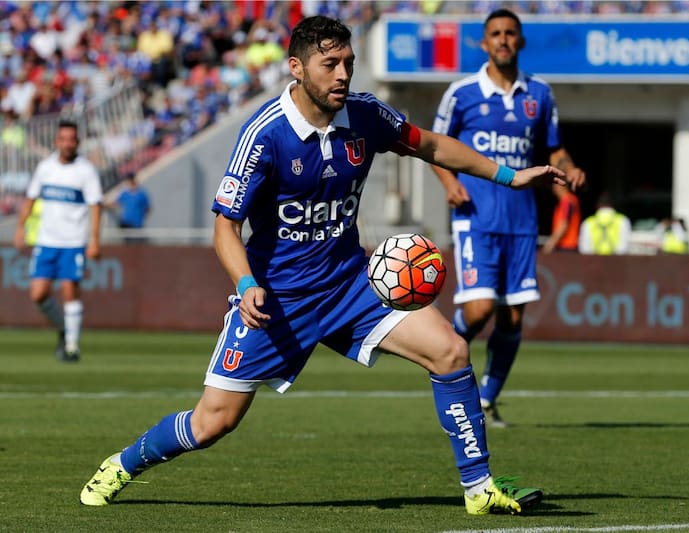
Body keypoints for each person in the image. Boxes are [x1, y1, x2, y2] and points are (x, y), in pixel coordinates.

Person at [79, 16, 574, 515]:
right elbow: (224, 227)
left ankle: (479, 488)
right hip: (278, 301)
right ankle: (122, 464)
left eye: (349, 64)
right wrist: (246, 282)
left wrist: (508, 176)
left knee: (450, 350)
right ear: (297, 68)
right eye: (330, 64)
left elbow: (430, 144)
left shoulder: (364, 115)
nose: (342, 75)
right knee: (213, 423)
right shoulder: (265, 136)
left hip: (352, 284)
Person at [430, 8, 585, 428]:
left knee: (513, 316)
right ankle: (442, 361)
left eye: (510, 33)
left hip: (521, 220)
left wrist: (568, 167)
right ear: (484, 43)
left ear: (520, 41)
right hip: (476, 215)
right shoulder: (462, 94)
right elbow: (435, 146)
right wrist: (449, 185)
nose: (502, 39)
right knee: (478, 309)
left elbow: (554, 149)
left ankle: (485, 400)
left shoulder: (540, 94)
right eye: (495, 33)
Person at [13, 119, 103, 362]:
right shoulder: (45, 167)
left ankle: (72, 346)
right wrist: (20, 228)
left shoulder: (85, 170)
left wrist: (94, 240)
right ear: (56, 141)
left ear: (77, 142)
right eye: (62, 139)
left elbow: (96, 205)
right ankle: (64, 328)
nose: (67, 144)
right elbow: (30, 198)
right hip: (46, 241)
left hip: (73, 241)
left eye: (71, 140)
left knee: (69, 290)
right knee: (38, 294)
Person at [109, 173, 151, 244]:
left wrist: (140, 216)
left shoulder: (142, 194)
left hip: (137, 226)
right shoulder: (125, 193)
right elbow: (116, 203)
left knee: (137, 245)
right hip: (126, 225)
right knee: (127, 244)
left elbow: (147, 208)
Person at [542, 183, 581, 253]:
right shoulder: (567, 201)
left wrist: (550, 244)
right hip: (565, 246)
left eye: (555, 185)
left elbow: (564, 225)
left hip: (567, 246)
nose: (553, 189)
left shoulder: (567, 201)